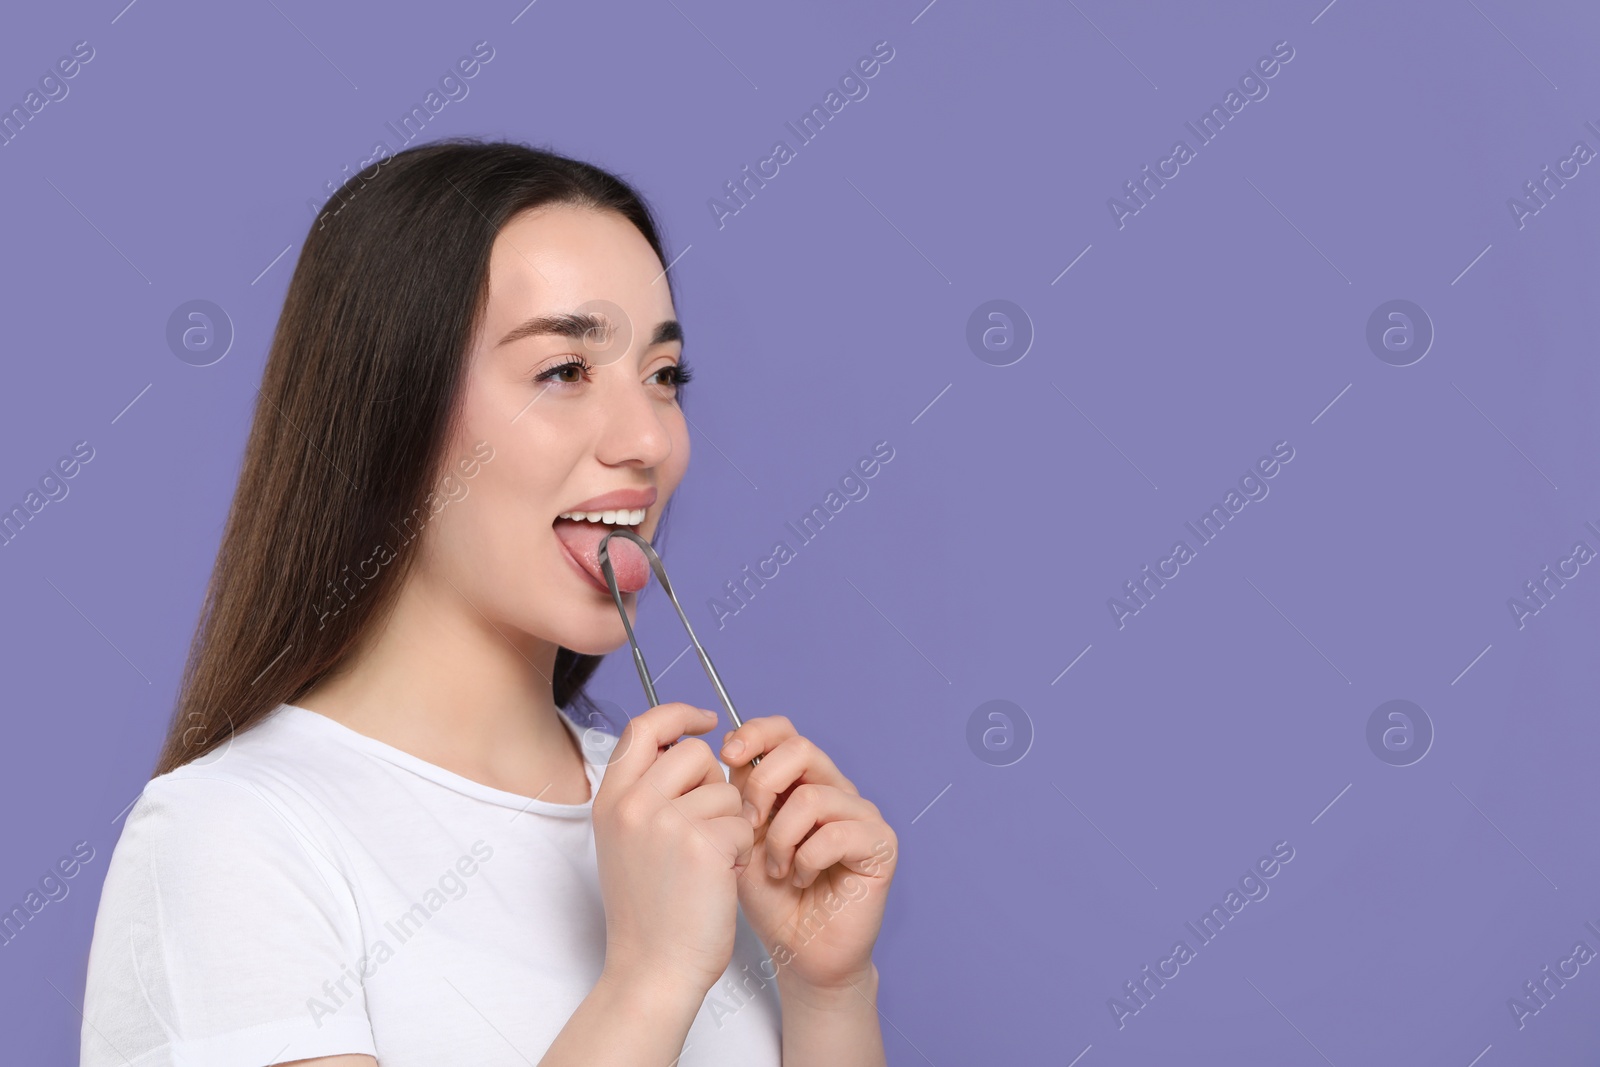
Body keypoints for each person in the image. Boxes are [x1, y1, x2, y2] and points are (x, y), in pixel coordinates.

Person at [79, 138, 898, 1067]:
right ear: (395, 408)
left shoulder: (688, 832)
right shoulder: (229, 839)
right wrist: (648, 980)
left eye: (663, 377)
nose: (647, 440)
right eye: (564, 371)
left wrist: (827, 991)